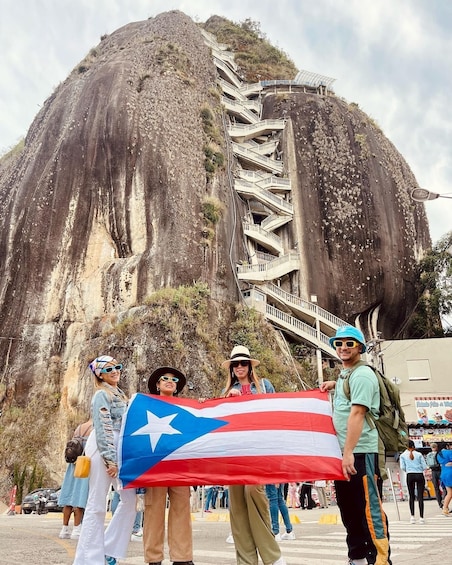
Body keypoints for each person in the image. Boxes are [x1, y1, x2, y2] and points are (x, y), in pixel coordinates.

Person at [320, 326, 391, 565]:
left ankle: (379, 560)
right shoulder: (346, 375)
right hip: (346, 454)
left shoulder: (361, 375)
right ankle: (357, 558)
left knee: (369, 513)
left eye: (349, 343)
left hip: (361, 454)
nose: (343, 348)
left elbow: (358, 413)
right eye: (339, 343)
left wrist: (348, 452)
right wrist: (334, 384)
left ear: (359, 347)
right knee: (349, 511)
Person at [221, 345, 286, 565]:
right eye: (235, 364)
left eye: (243, 363)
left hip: (258, 450)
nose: (240, 367)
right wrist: (228, 400)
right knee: (237, 506)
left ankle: (272, 555)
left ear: (250, 366)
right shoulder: (227, 391)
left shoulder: (265, 386)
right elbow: (220, 421)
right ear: (231, 368)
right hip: (235, 452)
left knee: (253, 492)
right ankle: (246, 560)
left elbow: (276, 415)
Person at [73, 355, 136, 565]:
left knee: (130, 500)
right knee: (96, 503)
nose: (115, 371)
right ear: (100, 374)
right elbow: (102, 427)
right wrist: (110, 459)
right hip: (103, 447)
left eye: (117, 367)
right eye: (109, 369)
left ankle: (108, 549)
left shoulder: (121, 394)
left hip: (120, 447)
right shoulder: (101, 395)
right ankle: (89, 559)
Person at [143, 366, 194, 565]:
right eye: (164, 378)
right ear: (157, 384)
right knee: (154, 511)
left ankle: (182, 557)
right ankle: (153, 558)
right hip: (154, 465)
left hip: (179, 464)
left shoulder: (185, 407)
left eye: (173, 380)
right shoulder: (146, 405)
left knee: (181, 509)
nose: (169, 381)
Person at [58, 419, 92, 539]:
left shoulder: (79, 428)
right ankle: (77, 529)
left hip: (72, 466)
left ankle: (64, 529)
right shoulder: (94, 429)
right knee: (79, 498)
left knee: (68, 499)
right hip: (84, 465)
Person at [399, 440, 428, 524]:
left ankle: (412, 517)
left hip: (410, 475)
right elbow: (424, 466)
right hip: (419, 475)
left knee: (411, 496)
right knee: (420, 497)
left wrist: (409, 469)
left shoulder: (403, 455)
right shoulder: (419, 454)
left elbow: (402, 467)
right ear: (414, 446)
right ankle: (421, 517)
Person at [426, 442, 444, 508]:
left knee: (436, 488)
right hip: (440, 470)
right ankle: (444, 500)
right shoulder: (440, 454)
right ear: (436, 447)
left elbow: (427, 464)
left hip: (433, 472)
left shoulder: (428, 455)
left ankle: (439, 503)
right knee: (444, 487)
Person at [437, 443, 452, 516]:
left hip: (444, 473)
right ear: (446, 446)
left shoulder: (438, 454)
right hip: (450, 473)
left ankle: (445, 508)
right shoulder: (449, 452)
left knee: (449, 492)